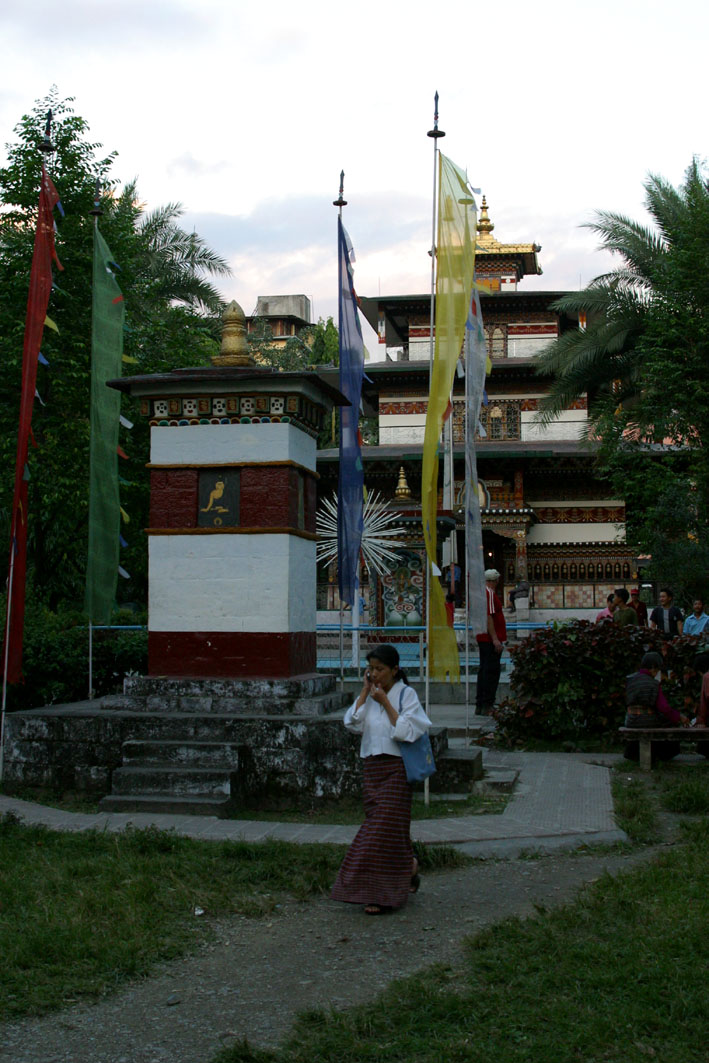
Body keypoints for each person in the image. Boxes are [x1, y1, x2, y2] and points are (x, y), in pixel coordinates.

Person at [331, 644, 432, 915]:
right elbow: (352, 723)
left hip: (396, 769)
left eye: (380, 669)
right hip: (372, 767)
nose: (375, 674)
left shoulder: (405, 695)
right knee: (392, 830)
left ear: (394, 670)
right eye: (371, 669)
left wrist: (385, 703)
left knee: (378, 829)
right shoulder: (370, 693)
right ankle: (408, 867)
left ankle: (377, 892)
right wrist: (364, 692)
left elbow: (408, 731)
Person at [623, 651, 686, 763]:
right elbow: (664, 708)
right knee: (667, 722)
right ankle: (663, 754)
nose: (656, 673)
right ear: (652, 668)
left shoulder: (630, 680)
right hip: (647, 720)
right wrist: (678, 717)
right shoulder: (654, 684)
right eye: (657, 669)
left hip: (630, 719)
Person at [476, 568, 506, 713]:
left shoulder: (481, 594)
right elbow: (489, 616)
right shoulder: (489, 594)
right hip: (489, 639)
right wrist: (495, 639)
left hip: (483, 637)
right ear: (495, 581)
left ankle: (480, 703)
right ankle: (488, 703)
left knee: (484, 670)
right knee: (491, 672)